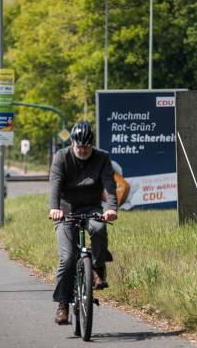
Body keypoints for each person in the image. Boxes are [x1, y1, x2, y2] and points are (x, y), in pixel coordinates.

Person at [48, 121, 118, 325]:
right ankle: (63, 304)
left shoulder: (102, 157)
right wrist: (54, 208)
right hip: (65, 210)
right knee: (68, 258)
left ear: (92, 145)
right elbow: (55, 183)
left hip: (91, 207)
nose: (82, 150)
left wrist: (111, 208)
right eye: (79, 147)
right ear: (72, 143)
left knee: (98, 228)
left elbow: (109, 184)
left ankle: (97, 268)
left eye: (86, 147)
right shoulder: (61, 157)